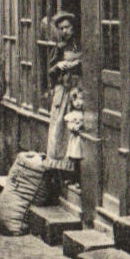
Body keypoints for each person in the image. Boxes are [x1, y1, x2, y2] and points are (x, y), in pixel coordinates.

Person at [45, 10, 83, 177]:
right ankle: (60, 172)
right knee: (59, 130)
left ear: (74, 27)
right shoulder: (59, 48)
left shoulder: (81, 44)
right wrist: (58, 66)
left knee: (76, 130)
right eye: (61, 28)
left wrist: (78, 63)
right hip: (63, 91)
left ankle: (76, 173)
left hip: (79, 93)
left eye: (67, 27)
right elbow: (50, 71)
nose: (64, 31)